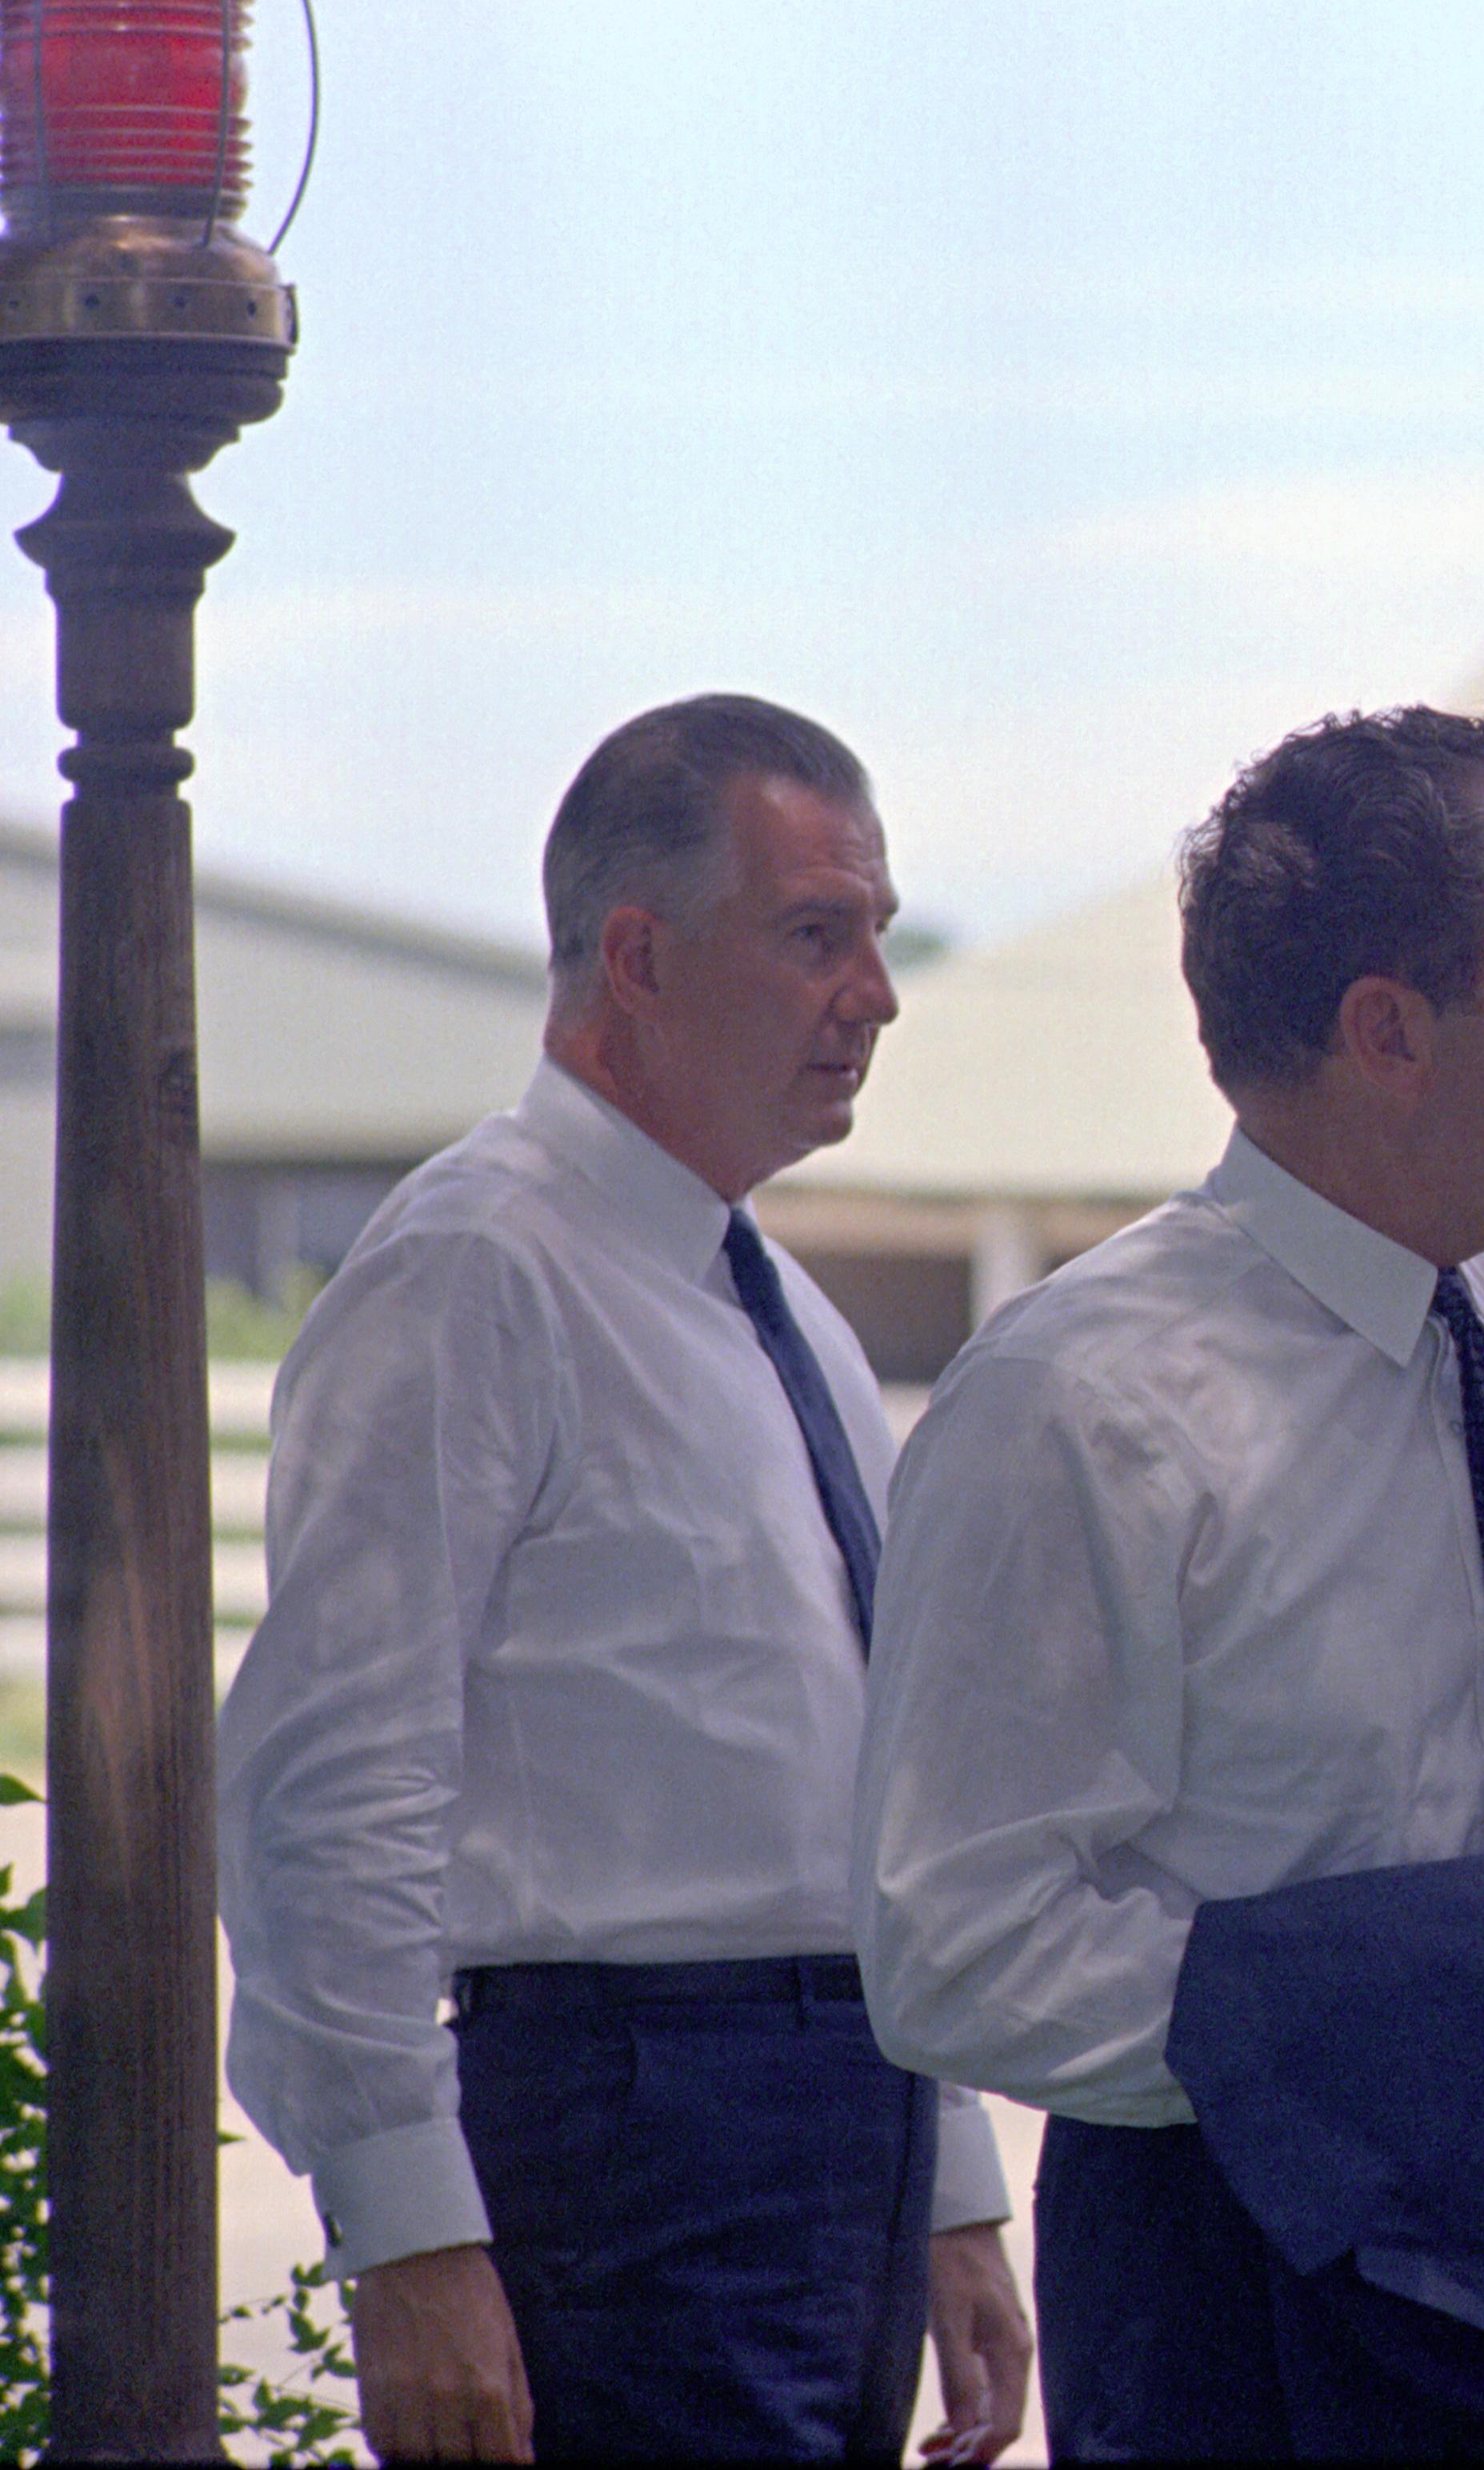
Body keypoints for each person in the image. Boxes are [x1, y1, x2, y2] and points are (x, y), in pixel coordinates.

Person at [858, 709, 1484, 2455]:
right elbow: (953, 1944)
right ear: (1391, 1029)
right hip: (1261, 2289)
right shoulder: (1078, 1399)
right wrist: (1399, 2040)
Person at [215, 695, 1030, 2465]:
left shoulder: (780, 1307)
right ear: (641, 956)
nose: (876, 993)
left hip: (837, 2110)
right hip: (633, 2125)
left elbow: (858, 1765)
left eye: (878, 935)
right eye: (819, 934)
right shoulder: (471, 1273)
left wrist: (947, 2170)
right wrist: (410, 2227)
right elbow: (335, 1773)